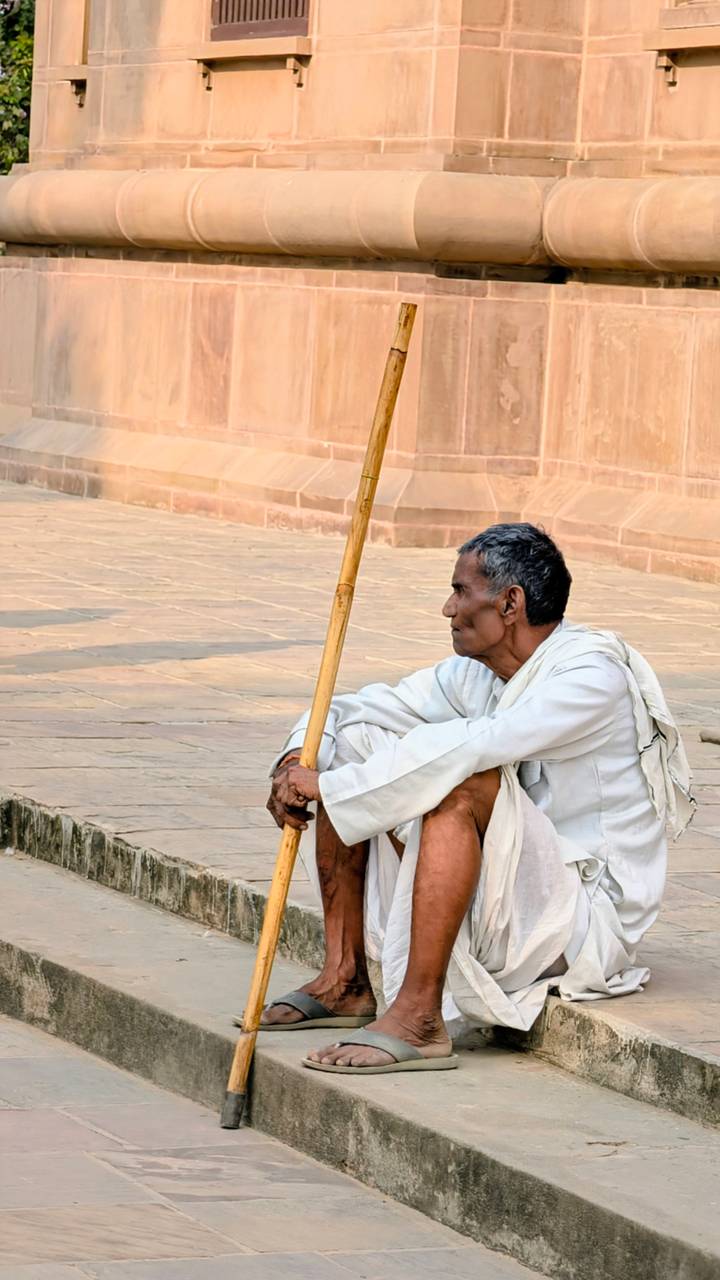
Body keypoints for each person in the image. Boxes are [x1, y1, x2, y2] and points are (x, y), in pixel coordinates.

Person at [261, 523, 694, 1076]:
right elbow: (361, 709)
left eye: (461, 591)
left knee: (462, 783)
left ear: (510, 603)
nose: (448, 608)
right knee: (347, 747)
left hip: (582, 918)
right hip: (519, 896)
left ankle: (419, 1018)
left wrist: (335, 790)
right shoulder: (476, 673)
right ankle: (346, 978)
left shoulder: (590, 676)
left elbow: (476, 745)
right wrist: (296, 760)